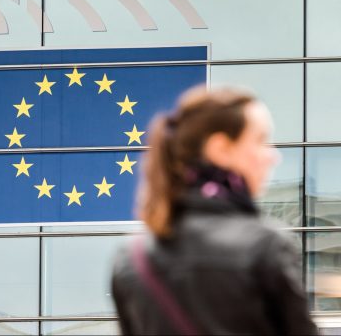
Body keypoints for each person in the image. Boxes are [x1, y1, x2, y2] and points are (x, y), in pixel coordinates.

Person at [111, 86, 317, 335]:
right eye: (261, 140)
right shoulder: (265, 245)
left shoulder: (132, 256)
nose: (273, 156)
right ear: (220, 149)